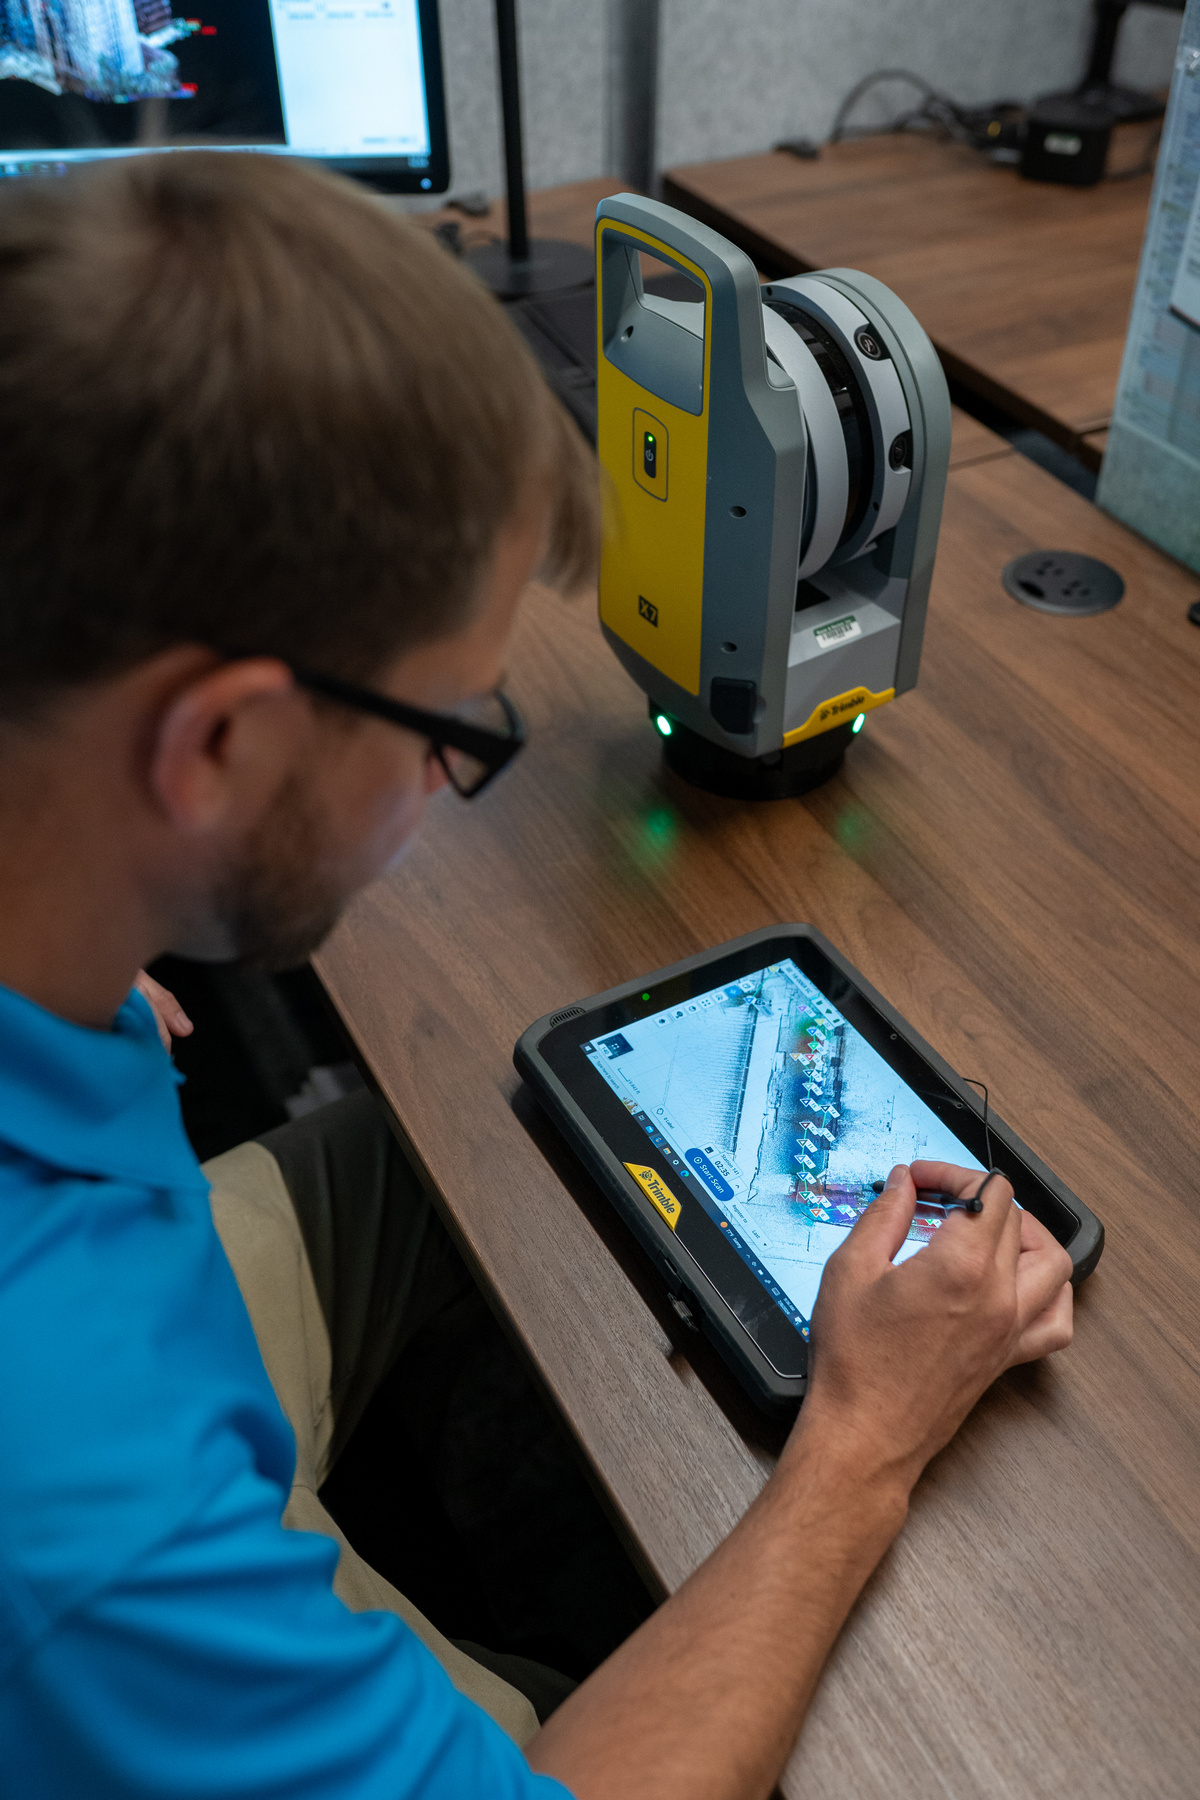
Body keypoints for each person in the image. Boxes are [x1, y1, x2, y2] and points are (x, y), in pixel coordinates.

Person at [0, 151, 1074, 1800]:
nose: (451, 783)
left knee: (461, 1130)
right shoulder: (93, 1530)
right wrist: (863, 1437)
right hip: (123, 1531)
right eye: (451, 726)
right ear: (210, 743)